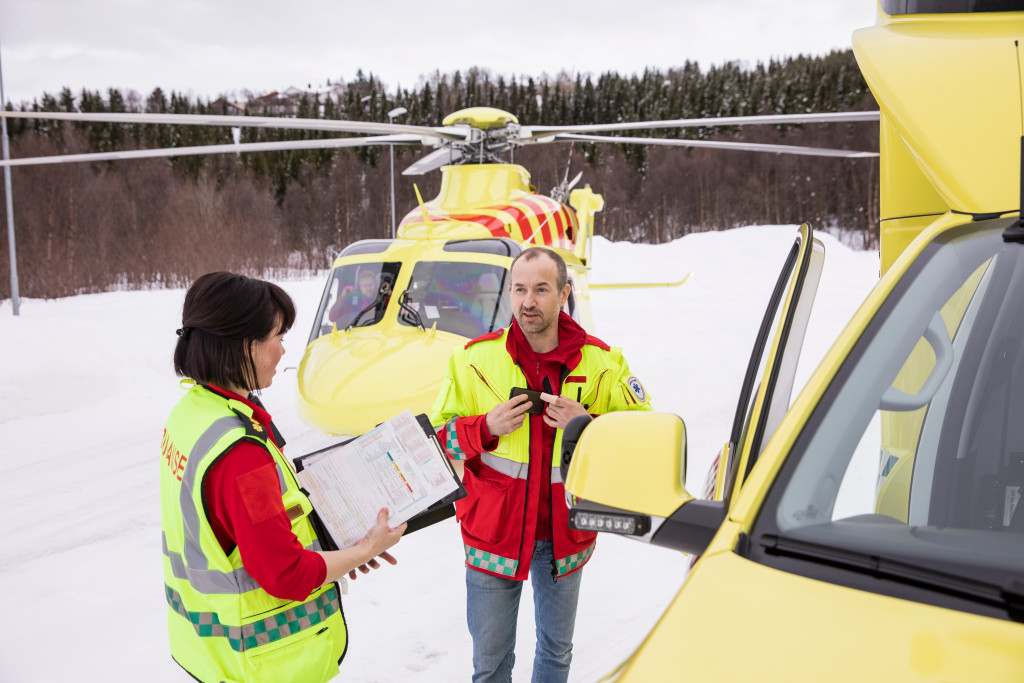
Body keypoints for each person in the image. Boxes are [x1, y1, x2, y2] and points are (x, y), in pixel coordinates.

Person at [161, 271, 406, 683]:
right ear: (244, 344)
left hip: (212, 651)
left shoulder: (194, 412)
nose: (283, 349)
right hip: (266, 663)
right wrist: (365, 549)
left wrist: (335, 551)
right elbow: (285, 574)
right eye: (277, 336)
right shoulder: (241, 455)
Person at [430, 247, 653, 683]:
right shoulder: (472, 361)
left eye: (541, 289)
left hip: (564, 535)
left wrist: (588, 424)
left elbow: (643, 437)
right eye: (519, 289)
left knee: (556, 654)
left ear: (565, 293)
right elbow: (436, 442)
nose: (527, 301)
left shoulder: (603, 364)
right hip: (494, 533)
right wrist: (484, 426)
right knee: (490, 665)